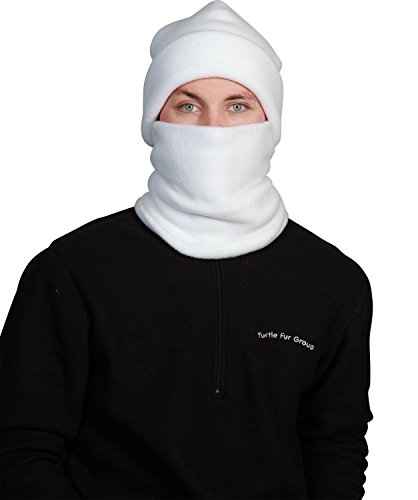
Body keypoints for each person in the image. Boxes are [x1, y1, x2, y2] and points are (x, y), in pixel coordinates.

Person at [0, 1, 374, 499]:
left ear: (271, 121)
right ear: (154, 119)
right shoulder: (73, 271)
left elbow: (334, 448)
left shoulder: (332, 282)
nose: (212, 130)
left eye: (238, 106)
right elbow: (20, 446)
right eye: (188, 105)